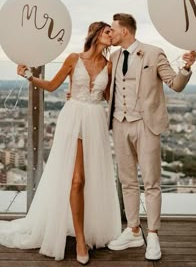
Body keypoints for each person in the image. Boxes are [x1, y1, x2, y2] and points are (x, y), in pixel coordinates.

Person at [0, 21, 121, 264]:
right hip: (73, 118)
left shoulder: (109, 66)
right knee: (77, 180)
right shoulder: (73, 58)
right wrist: (28, 76)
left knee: (91, 179)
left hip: (96, 121)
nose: (112, 35)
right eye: (108, 31)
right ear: (97, 34)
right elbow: (53, 85)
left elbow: (110, 99)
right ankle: (79, 239)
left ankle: (86, 230)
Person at [107, 13, 196, 260]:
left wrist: (186, 67)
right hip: (120, 123)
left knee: (152, 182)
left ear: (125, 31)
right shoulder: (113, 57)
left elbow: (175, 84)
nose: (111, 33)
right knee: (126, 181)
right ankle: (133, 230)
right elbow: (107, 90)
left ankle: (154, 235)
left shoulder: (154, 53)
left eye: (113, 29)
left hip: (147, 126)